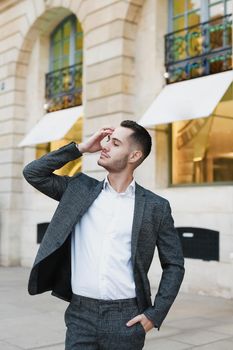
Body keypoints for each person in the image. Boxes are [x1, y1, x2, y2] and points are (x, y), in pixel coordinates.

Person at [23, 120, 185, 350]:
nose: (105, 146)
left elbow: (174, 264)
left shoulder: (155, 207)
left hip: (126, 318)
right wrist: (80, 148)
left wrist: (155, 315)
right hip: (80, 315)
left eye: (115, 143)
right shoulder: (79, 190)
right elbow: (33, 173)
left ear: (134, 156)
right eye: (108, 140)